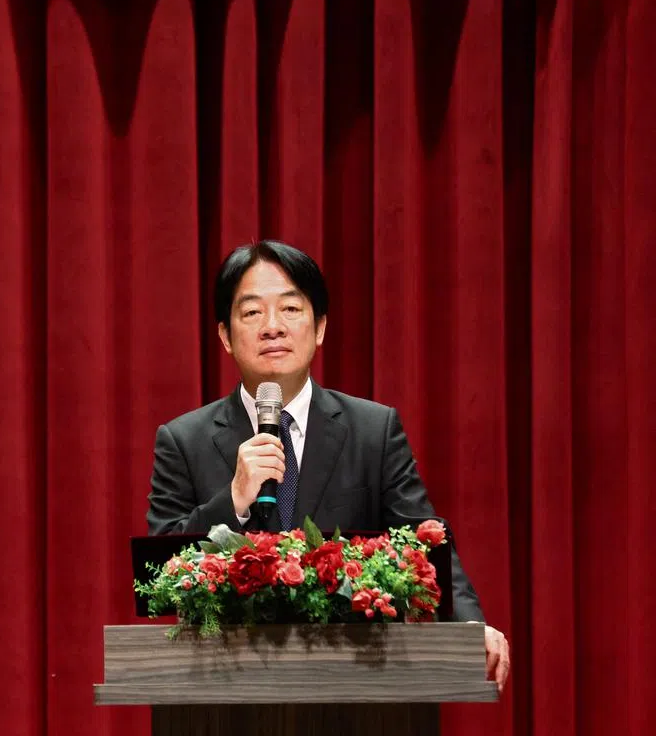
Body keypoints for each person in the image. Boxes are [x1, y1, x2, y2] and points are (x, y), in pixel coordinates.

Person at [146, 240, 510, 693]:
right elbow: (158, 574)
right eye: (252, 312)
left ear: (319, 327)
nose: (272, 327)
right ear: (225, 336)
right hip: (224, 686)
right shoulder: (183, 440)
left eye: (290, 309)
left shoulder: (373, 431)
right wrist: (233, 499)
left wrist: (470, 625)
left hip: (355, 683)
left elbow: (423, 540)